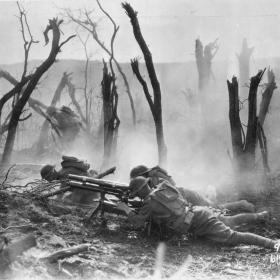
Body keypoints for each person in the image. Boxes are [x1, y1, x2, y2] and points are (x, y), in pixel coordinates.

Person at [116, 176, 275, 249]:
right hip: (198, 212)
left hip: (197, 222)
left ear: (141, 190)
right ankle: (259, 216)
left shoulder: (149, 202)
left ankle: (274, 244)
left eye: (137, 193)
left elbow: (138, 222)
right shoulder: (163, 186)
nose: (137, 196)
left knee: (232, 237)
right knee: (231, 220)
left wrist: (126, 209)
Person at [129, 165, 255, 213]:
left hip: (186, 195)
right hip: (184, 198)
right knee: (213, 208)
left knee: (215, 207)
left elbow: (172, 186)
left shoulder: (156, 175)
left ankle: (243, 204)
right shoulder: (151, 180)